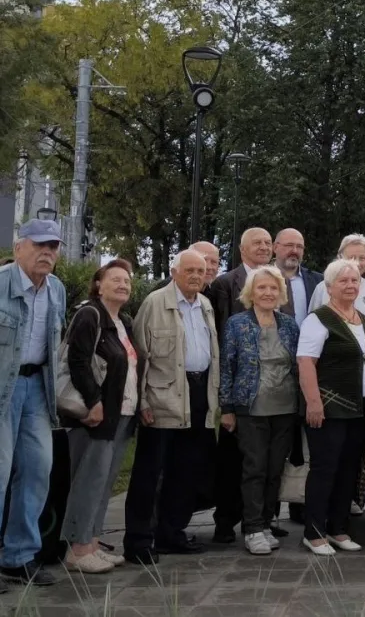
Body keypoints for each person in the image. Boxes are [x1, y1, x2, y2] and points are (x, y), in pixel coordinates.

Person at [123, 250, 219, 564]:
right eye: (189, 270)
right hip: (162, 396)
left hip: (199, 393)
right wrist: (144, 402)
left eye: (201, 271)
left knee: (186, 470)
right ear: (173, 271)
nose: (195, 275)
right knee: (150, 472)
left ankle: (171, 532)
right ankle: (138, 540)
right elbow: (140, 356)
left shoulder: (205, 304)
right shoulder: (155, 303)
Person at [60, 260, 142, 574]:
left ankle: (92, 542)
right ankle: (78, 549)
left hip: (122, 413)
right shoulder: (89, 315)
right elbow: (78, 362)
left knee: (104, 482)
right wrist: (94, 403)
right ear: (99, 284)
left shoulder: (123, 321)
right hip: (95, 415)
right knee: (88, 481)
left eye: (127, 282)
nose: (123, 285)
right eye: (116, 280)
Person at [0, 219, 67, 588]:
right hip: (2, 391)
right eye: (40, 245)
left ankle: (19, 556)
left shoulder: (56, 289)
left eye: (54, 246)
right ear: (18, 247)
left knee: (39, 470)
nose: (48, 252)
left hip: (37, 390)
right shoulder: (1, 284)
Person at [297, 259, 365, 556]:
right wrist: (314, 403)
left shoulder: (364, 321)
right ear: (329, 287)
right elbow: (306, 362)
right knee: (324, 470)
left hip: (360, 412)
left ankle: (338, 529)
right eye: (343, 281)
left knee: (348, 470)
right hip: (329, 410)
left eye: (354, 281)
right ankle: (314, 533)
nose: (350, 285)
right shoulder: (318, 319)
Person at [219, 266, 300, 556]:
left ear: (280, 293)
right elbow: (227, 367)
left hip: (285, 407)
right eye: (262, 288)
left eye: (273, 288)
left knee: (275, 470)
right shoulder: (237, 323)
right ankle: (252, 528)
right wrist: (226, 408)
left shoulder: (289, 324)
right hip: (250, 408)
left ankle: (266, 523)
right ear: (251, 292)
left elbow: (297, 367)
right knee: (255, 468)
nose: (268, 293)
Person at [209, 227, 273, 545]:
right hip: (237, 392)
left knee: (262, 462)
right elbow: (220, 341)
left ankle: (260, 521)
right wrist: (226, 401)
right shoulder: (225, 284)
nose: (263, 247)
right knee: (233, 460)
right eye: (256, 243)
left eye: (267, 243)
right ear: (242, 250)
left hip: (271, 394)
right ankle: (225, 522)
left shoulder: (277, 283)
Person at [273, 228, 324, 327]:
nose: (295, 251)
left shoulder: (318, 281)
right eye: (289, 245)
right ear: (275, 247)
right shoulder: (259, 279)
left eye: (300, 247)